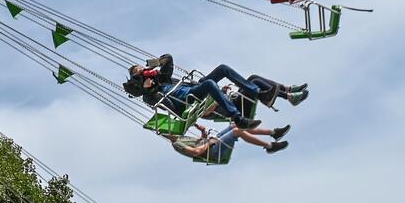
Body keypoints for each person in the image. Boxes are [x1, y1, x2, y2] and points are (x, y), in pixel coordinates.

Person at [124, 54, 299, 131]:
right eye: (140, 73)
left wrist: (155, 63)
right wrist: (150, 89)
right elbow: (171, 108)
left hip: (195, 88)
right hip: (189, 100)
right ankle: (238, 118)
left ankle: (264, 94)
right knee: (208, 84)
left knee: (222, 69)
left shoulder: (162, 78)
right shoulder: (148, 96)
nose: (144, 72)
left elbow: (169, 59)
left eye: (143, 69)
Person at [174, 121, 287, 161]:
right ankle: (270, 146)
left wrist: (203, 132)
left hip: (212, 143)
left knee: (235, 126)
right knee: (238, 131)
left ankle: (274, 133)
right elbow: (196, 152)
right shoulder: (177, 144)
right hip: (213, 153)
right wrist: (209, 142)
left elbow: (200, 143)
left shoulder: (182, 137)